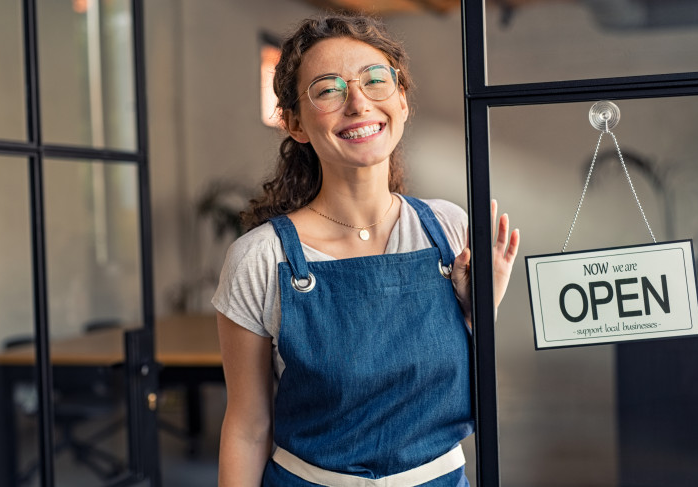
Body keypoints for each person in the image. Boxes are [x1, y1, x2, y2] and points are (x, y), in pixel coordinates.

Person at [211, 13, 520, 486]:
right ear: (294, 122)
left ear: (400, 99)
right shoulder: (261, 258)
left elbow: (471, 392)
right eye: (328, 89)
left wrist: (481, 311)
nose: (357, 102)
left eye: (375, 80)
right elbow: (248, 429)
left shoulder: (447, 228)